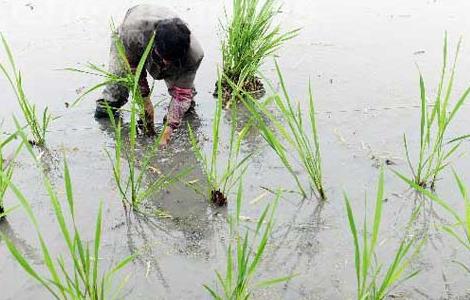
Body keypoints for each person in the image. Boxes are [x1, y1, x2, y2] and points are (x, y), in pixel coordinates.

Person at [95, 4, 204, 145]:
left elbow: (182, 95)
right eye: (163, 59)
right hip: (129, 43)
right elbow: (133, 68)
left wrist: (166, 133)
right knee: (115, 92)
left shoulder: (194, 54)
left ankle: (181, 122)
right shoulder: (133, 32)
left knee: (185, 104)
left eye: (169, 62)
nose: (165, 65)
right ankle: (105, 125)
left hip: (173, 50)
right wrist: (145, 102)